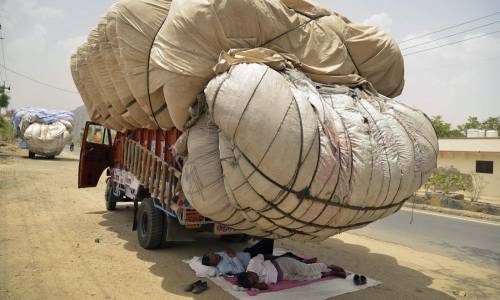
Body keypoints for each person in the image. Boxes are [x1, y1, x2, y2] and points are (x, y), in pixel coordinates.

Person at [201, 238, 316, 275]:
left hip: (247, 252)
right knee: (279, 259)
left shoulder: (219, 255)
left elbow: (226, 252)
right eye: (213, 256)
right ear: (213, 263)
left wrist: (230, 251)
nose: (216, 254)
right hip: (252, 260)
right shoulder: (224, 268)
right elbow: (241, 271)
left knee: (268, 240)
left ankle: (273, 257)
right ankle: (303, 262)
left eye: (213, 253)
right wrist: (233, 256)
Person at [236, 254, 347, 290]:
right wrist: (255, 284)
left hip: (282, 264)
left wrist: (281, 257)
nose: (256, 278)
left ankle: (328, 266)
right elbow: (265, 287)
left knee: (306, 270)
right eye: (253, 282)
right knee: (308, 277)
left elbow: (263, 256)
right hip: (284, 276)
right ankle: (330, 273)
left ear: (248, 272)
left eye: (253, 277)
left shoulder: (253, 264)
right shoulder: (254, 283)